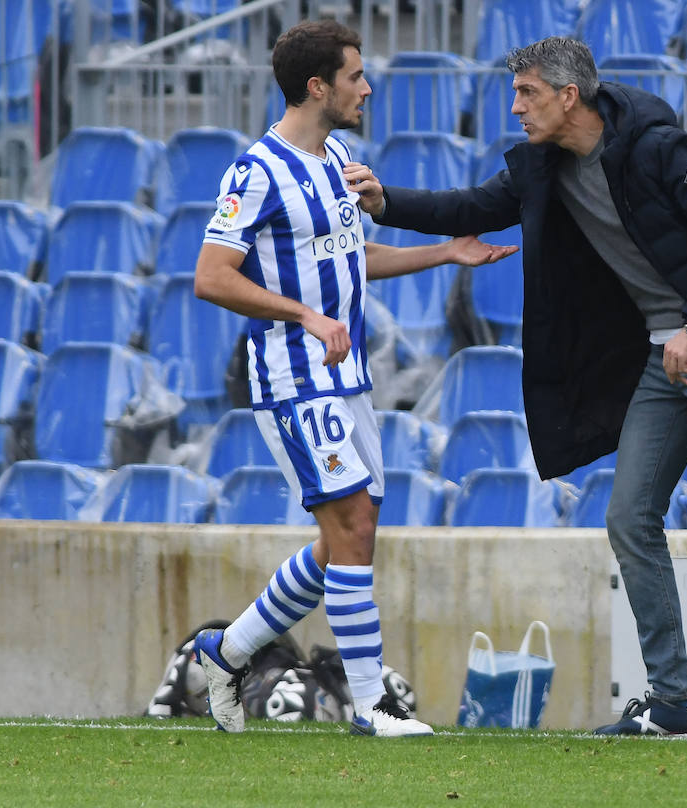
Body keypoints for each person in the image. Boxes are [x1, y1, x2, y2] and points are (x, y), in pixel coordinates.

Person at [347, 36, 687, 735]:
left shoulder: (659, 149)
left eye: (527, 94)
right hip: (660, 360)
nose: (514, 108)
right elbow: (470, 207)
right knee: (628, 517)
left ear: (568, 96)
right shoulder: (545, 167)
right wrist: (384, 201)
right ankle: (674, 701)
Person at [190, 19, 516, 737]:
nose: (366, 87)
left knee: (342, 540)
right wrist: (304, 315)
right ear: (318, 87)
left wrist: (444, 254)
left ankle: (227, 651)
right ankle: (369, 705)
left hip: (350, 376)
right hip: (296, 379)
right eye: (355, 76)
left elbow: (351, 255)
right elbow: (211, 278)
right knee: (355, 527)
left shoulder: (338, 156)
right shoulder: (256, 171)